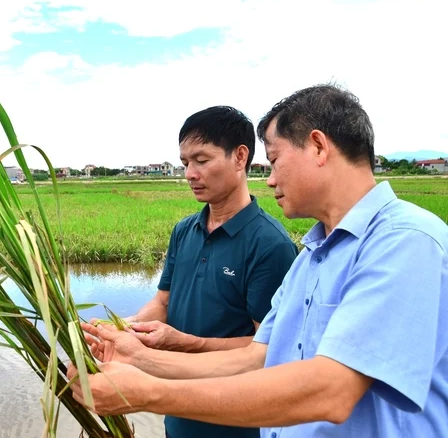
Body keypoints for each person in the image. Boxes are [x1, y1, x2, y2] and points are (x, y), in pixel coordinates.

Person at [71, 84, 448, 438]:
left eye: (274, 160)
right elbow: (256, 359)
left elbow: (332, 390)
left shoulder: (405, 242)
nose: (268, 179)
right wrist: (135, 358)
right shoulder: (312, 259)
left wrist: (150, 392)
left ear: (317, 147)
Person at [90, 106, 297, 438]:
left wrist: (186, 343)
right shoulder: (185, 230)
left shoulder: (269, 245)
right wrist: (126, 329)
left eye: (202, 161)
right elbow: (163, 302)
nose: (189, 173)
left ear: (240, 157)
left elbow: (270, 350)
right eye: (185, 163)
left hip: (235, 424)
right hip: (177, 416)